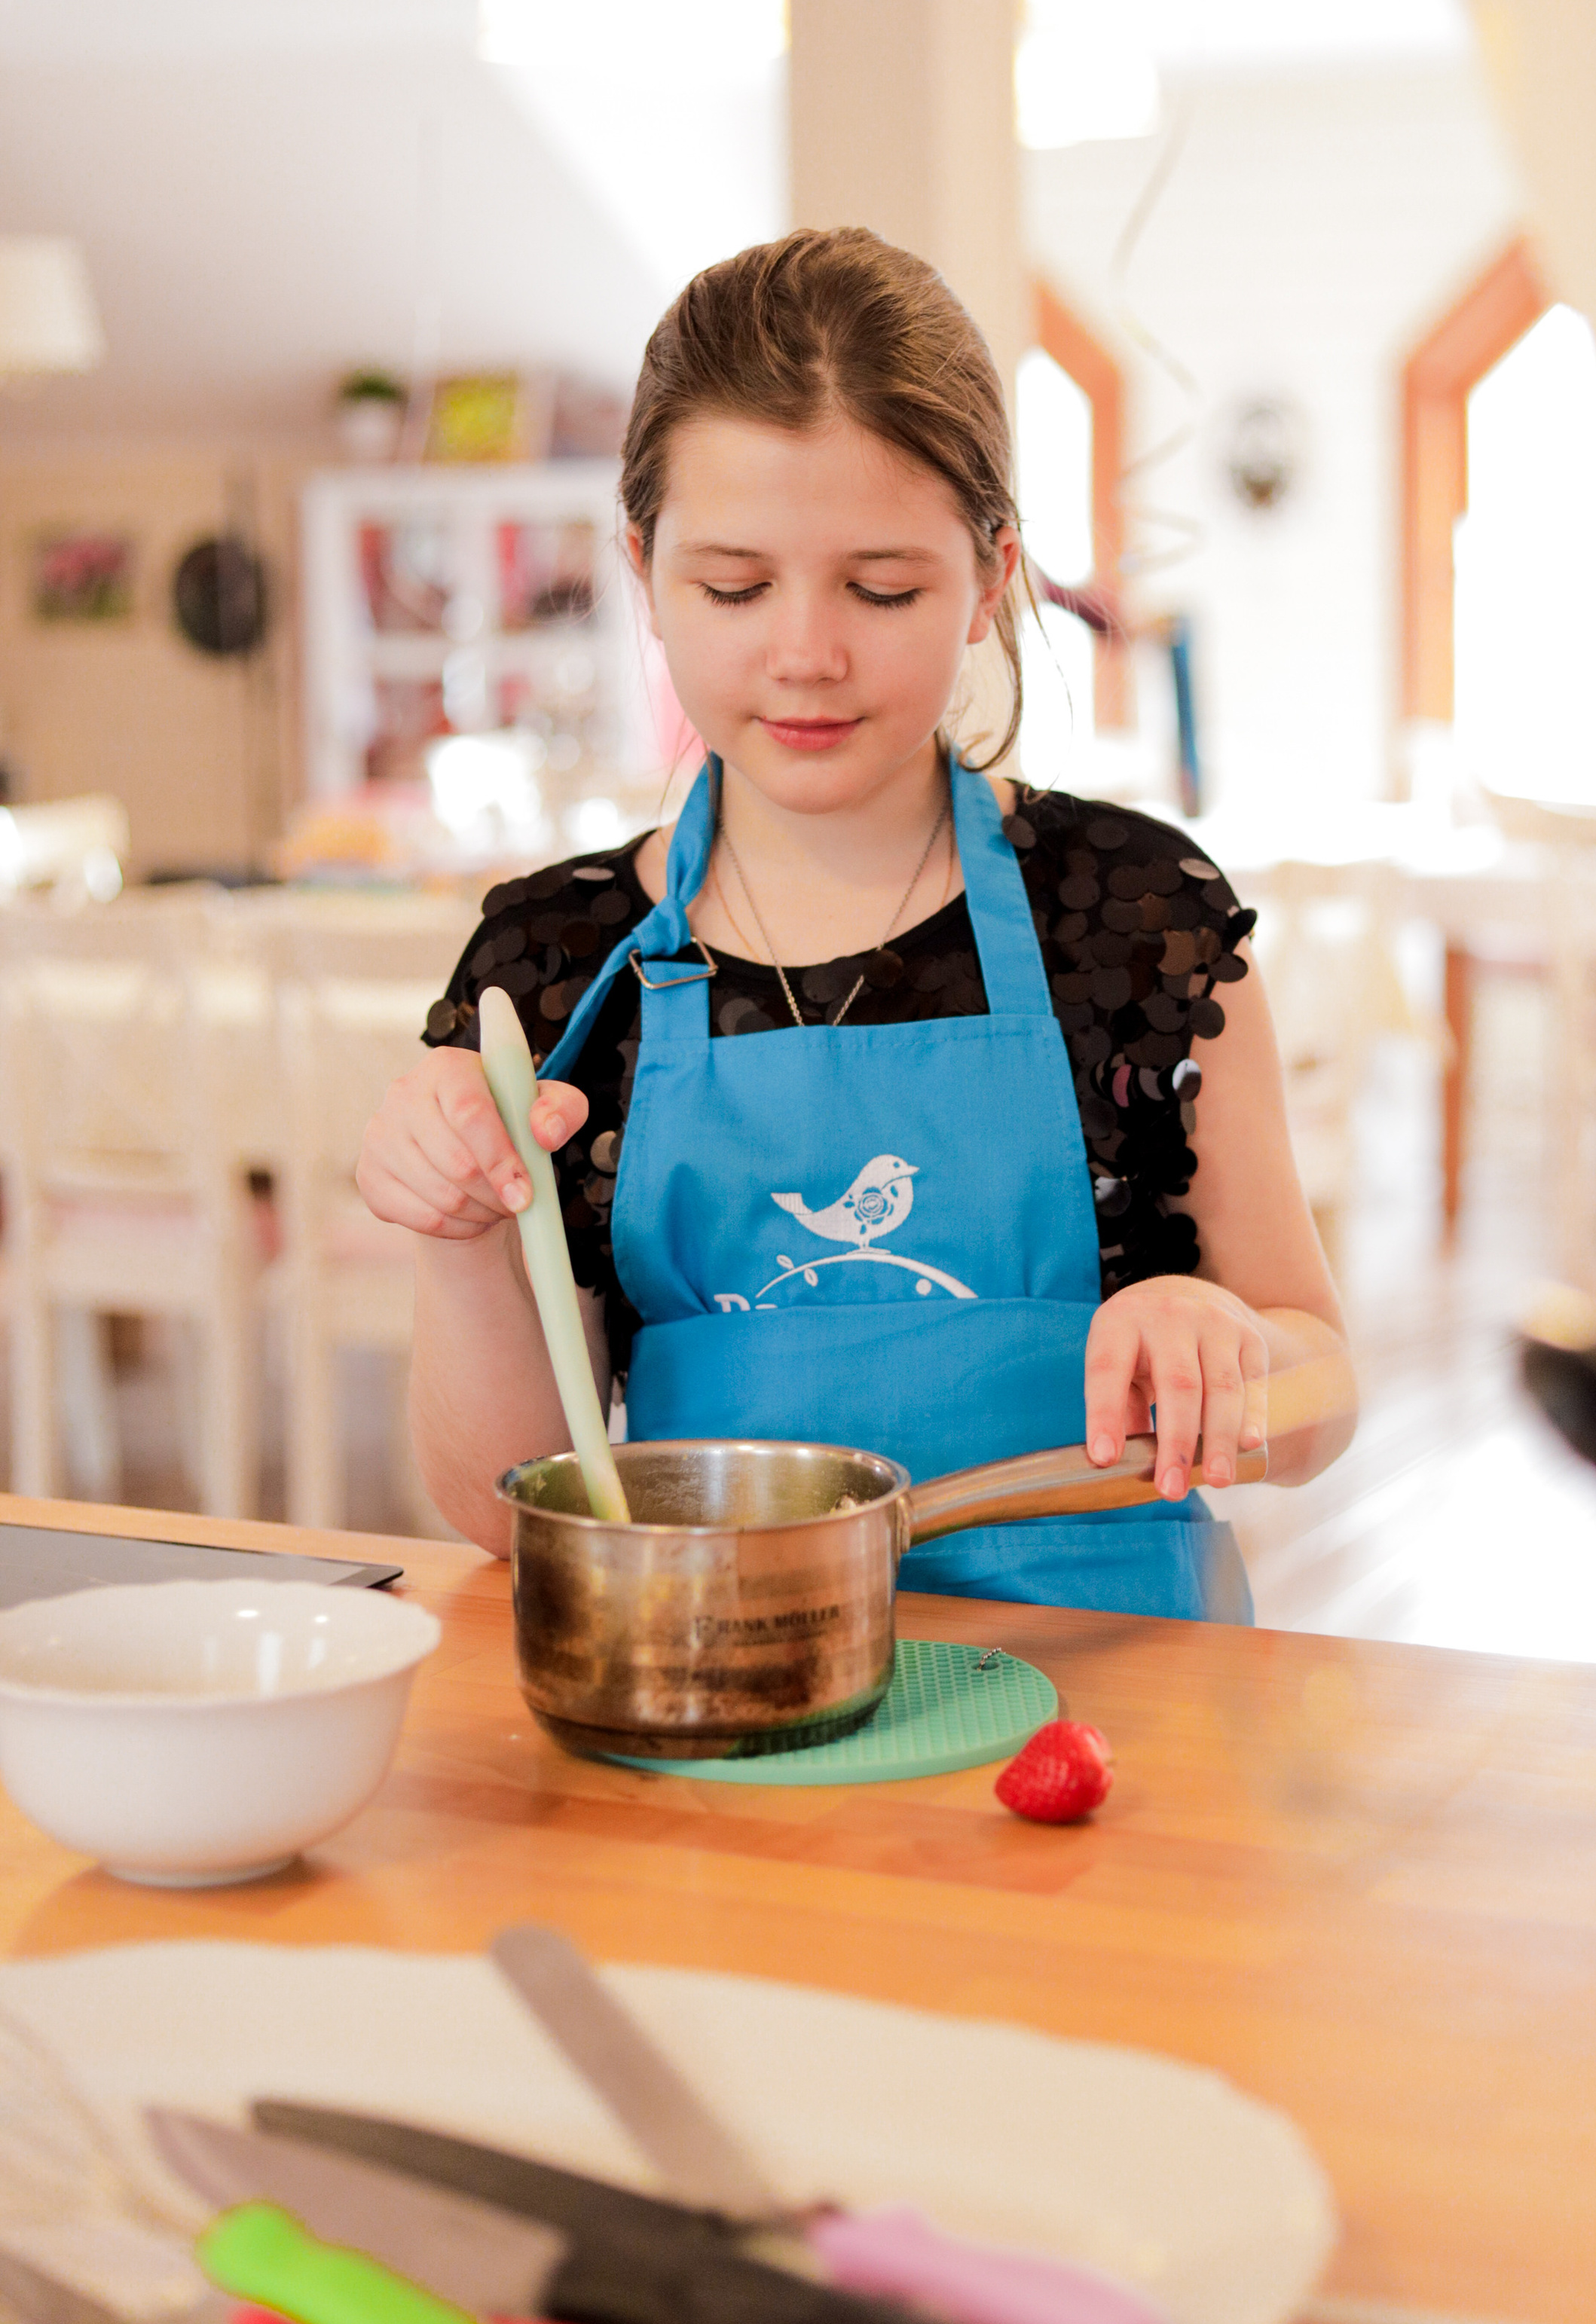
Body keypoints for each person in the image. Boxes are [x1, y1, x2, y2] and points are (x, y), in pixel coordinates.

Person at [356, 228, 1355, 1620]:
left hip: (1115, 1714)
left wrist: (1232, 1346)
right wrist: (459, 1235)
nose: (808, 653)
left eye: (883, 589)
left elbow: (1322, 1394)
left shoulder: (1136, 920)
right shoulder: (558, 969)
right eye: (735, 586)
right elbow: (510, 1509)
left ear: (990, 576)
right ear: (643, 569)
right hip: (729, 1686)